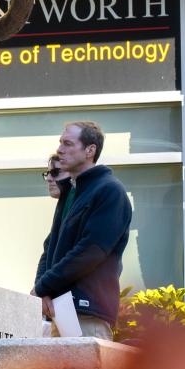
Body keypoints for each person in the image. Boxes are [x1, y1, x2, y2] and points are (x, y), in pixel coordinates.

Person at [33, 121, 132, 340]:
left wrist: (42, 288)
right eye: (60, 143)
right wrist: (43, 290)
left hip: (88, 314)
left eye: (68, 143)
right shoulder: (71, 194)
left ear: (90, 150)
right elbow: (49, 248)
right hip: (62, 312)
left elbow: (89, 252)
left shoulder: (109, 191)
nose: (60, 149)